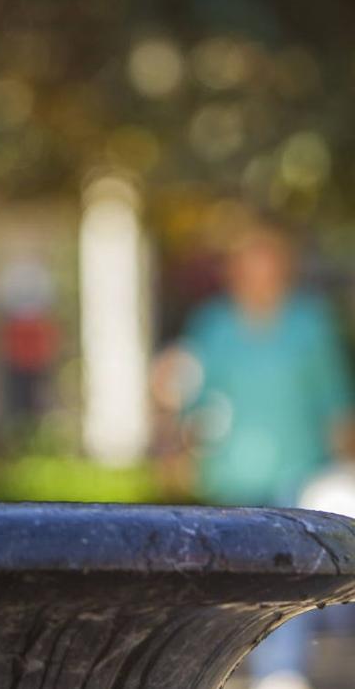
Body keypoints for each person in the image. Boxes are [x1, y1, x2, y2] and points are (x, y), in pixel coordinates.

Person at [153, 213, 355, 689]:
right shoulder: (214, 325)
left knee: (290, 571)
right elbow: (191, 398)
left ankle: (281, 669)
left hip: (297, 469)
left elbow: (335, 401)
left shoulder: (309, 325)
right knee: (237, 576)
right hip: (230, 474)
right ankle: (232, 664)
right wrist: (173, 442)